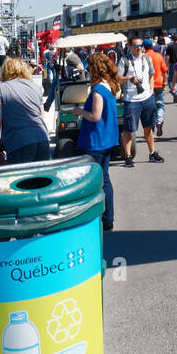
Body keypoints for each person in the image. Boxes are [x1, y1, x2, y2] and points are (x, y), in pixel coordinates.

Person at [67, 52, 120, 231]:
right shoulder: (110, 86)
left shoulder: (97, 90)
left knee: (94, 180)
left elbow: (95, 116)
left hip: (96, 140)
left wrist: (80, 112)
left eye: (89, 67)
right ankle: (108, 217)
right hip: (107, 139)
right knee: (105, 178)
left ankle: (101, 216)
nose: (87, 70)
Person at [0, 57, 51, 163]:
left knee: (22, 178)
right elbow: (41, 115)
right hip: (42, 138)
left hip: (18, 142)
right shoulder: (35, 87)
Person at [118, 38, 162, 164]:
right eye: (136, 46)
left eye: (141, 46)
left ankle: (152, 153)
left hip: (147, 98)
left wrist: (151, 91)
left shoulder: (147, 59)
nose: (139, 48)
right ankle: (128, 157)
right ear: (130, 47)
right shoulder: (124, 61)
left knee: (148, 127)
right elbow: (118, 79)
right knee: (129, 129)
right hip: (131, 100)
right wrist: (129, 78)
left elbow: (152, 75)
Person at [144, 38, 168, 136]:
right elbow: (165, 70)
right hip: (159, 84)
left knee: (149, 108)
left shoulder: (143, 57)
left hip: (147, 86)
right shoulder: (158, 56)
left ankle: (151, 130)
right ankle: (160, 120)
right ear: (152, 46)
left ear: (144, 47)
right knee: (160, 105)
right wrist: (165, 82)